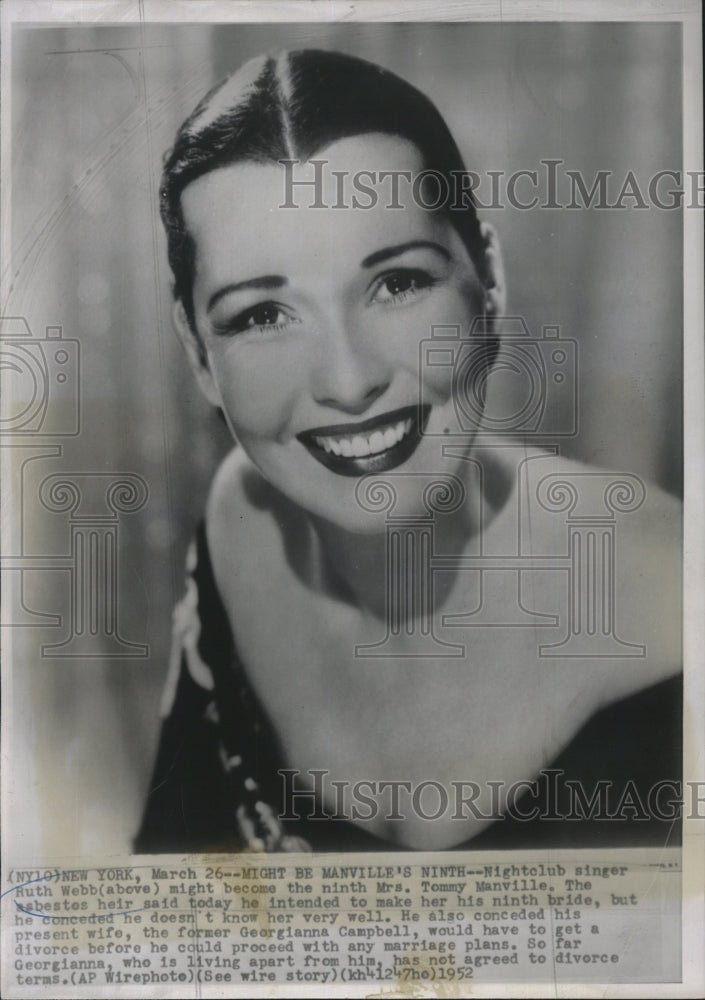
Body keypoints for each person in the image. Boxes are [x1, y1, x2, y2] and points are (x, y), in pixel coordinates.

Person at [136, 48, 681, 854]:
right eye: (260, 315)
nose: (349, 380)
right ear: (196, 355)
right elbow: (175, 887)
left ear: (487, 278)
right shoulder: (235, 521)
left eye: (397, 284)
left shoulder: (670, 597)